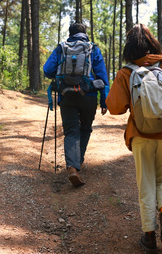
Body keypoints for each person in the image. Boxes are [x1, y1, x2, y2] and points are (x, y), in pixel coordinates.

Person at [106, 24, 162, 254]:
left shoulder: (127, 72)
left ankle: (149, 236)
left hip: (141, 136)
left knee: (146, 184)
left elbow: (114, 107)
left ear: (129, 48)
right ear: (154, 44)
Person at [43, 23, 109, 187]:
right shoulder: (93, 49)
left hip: (67, 95)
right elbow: (102, 76)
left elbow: (47, 70)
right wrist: (104, 100)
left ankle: (72, 166)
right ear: (85, 34)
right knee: (85, 128)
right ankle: (77, 163)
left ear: (70, 34)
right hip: (89, 95)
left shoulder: (61, 48)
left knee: (71, 131)